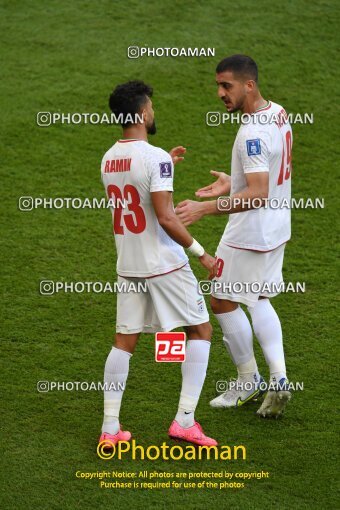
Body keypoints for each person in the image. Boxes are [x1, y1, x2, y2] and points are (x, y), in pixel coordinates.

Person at [99, 80, 218, 450]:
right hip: (165, 264)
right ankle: (184, 421)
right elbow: (166, 218)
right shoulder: (155, 160)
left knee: (123, 343)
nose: (153, 112)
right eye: (150, 106)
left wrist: (162, 162)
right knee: (200, 331)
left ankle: (110, 428)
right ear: (141, 112)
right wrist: (202, 253)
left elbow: (137, 187)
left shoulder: (109, 158)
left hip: (129, 265)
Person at [176, 55, 292, 418]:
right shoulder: (278, 112)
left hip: (250, 231)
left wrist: (202, 209)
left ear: (249, 85)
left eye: (226, 86)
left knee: (222, 300)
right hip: (276, 227)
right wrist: (233, 181)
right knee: (257, 298)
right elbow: (268, 172)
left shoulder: (251, 133)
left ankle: (249, 379)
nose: (220, 93)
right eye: (218, 86)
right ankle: (279, 378)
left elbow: (258, 192)